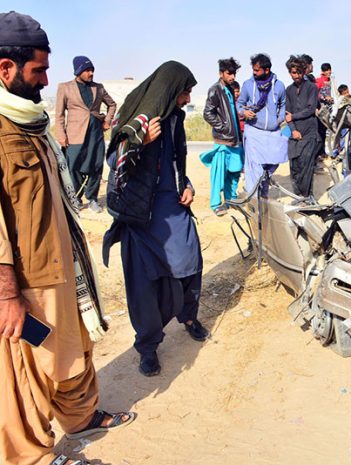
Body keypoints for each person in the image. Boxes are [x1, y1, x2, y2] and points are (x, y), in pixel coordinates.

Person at [0, 11, 134, 465]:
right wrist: (7, 294)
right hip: (28, 277)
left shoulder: (29, 122)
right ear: (6, 69)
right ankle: (33, 456)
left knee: (75, 349)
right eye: (37, 70)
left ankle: (80, 418)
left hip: (64, 265)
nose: (44, 80)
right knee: (28, 374)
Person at [102, 61, 208, 377]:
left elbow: (177, 161)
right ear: (170, 89)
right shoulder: (135, 114)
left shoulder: (175, 118)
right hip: (140, 215)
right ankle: (147, 346)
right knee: (144, 287)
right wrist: (142, 142)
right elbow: (113, 161)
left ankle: (189, 316)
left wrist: (185, 184)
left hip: (172, 208)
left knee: (190, 264)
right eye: (185, 91)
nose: (188, 98)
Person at [55, 55, 117, 213]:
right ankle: (75, 198)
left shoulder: (99, 87)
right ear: (79, 71)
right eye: (87, 70)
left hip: (96, 134)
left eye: (92, 70)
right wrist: (61, 135)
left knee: (95, 166)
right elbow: (59, 114)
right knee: (74, 166)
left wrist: (107, 121)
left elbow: (112, 104)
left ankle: (93, 199)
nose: (91, 73)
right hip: (75, 134)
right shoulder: (65, 87)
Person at [236, 53, 287, 196]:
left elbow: (283, 103)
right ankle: (253, 198)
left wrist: (280, 118)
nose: (254, 72)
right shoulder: (248, 85)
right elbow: (239, 104)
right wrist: (243, 113)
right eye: (253, 69)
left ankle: (263, 193)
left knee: (273, 162)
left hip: (273, 132)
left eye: (257, 70)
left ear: (267, 70)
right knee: (254, 168)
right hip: (253, 131)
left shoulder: (279, 86)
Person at [201, 57, 244, 216]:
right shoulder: (215, 89)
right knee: (219, 174)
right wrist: (223, 127)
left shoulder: (231, 89)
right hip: (222, 140)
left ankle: (231, 199)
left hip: (235, 140)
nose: (232, 77)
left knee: (234, 171)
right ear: (221, 73)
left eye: (234, 73)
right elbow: (207, 113)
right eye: (229, 73)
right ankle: (215, 204)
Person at [285, 55, 320, 197]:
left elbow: (311, 109)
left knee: (306, 165)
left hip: (309, 132)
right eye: (294, 72)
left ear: (304, 71)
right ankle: (298, 196)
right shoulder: (289, 90)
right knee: (295, 166)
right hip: (295, 134)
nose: (297, 76)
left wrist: (293, 116)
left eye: (299, 72)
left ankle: (307, 197)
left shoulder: (311, 87)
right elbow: (287, 113)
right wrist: (293, 130)